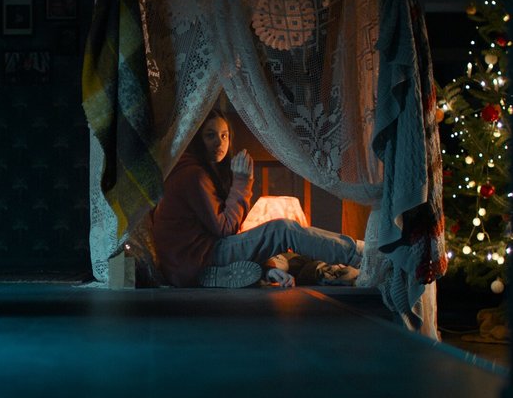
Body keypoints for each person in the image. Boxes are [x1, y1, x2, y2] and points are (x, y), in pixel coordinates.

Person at [150, 109, 364, 288]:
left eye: (224, 136)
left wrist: (267, 267)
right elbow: (225, 229)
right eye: (210, 135)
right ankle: (362, 255)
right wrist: (242, 182)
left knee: (279, 251)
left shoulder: (189, 170)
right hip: (200, 259)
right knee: (283, 230)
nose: (220, 143)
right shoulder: (193, 176)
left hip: (186, 264)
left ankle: (255, 272)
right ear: (196, 139)